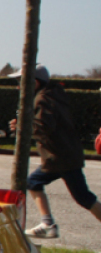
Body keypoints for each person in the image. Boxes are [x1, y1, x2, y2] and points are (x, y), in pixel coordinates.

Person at [8, 64, 101, 238]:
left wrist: (21, 125)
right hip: (63, 155)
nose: (19, 86)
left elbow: (44, 126)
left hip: (60, 157)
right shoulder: (53, 94)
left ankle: (48, 224)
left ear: (34, 83)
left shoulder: (42, 99)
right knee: (36, 184)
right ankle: (47, 223)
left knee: (83, 197)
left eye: (21, 81)